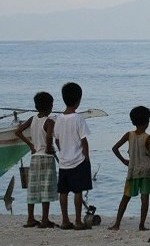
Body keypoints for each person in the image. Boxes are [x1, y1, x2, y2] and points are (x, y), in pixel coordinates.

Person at [108, 106, 150, 231]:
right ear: (147, 122)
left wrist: (124, 160)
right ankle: (141, 225)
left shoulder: (129, 135)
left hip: (133, 170)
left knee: (125, 198)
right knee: (145, 198)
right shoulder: (149, 137)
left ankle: (117, 224)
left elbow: (115, 148)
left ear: (133, 121)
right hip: (146, 171)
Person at [15, 92, 58, 228]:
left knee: (33, 187)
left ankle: (30, 218)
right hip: (46, 157)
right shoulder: (49, 121)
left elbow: (18, 131)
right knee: (46, 187)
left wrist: (30, 145)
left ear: (36, 106)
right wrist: (50, 148)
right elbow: (49, 136)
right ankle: (45, 219)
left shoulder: (32, 119)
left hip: (34, 157)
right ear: (50, 106)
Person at [54, 82, 92, 230]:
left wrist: (61, 150)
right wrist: (86, 156)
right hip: (78, 160)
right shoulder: (79, 118)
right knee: (78, 191)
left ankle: (64, 220)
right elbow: (84, 141)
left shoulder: (59, 118)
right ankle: (77, 221)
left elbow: (56, 139)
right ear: (79, 100)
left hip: (64, 161)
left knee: (63, 192)